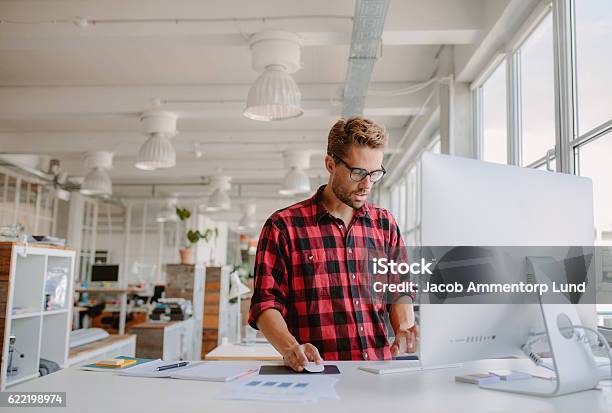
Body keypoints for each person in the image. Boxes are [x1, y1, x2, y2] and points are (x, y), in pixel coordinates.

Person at [248, 116, 418, 371]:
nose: (366, 184)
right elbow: (265, 303)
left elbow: (399, 289)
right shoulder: (283, 226)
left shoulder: (384, 225)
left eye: (375, 173)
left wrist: (405, 328)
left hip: (378, 373)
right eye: (358, 172)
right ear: (330, 164)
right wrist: (290, 348)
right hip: (315, 375)